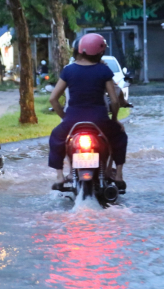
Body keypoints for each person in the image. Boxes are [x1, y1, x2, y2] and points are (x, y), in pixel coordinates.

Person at [48, 33, 128, 192]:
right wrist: (115, 119)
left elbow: (53, 99)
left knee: (56, 138)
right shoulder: (104, 70)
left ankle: (59, 176)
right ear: (100, 52)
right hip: (100, 121)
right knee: (119, 136)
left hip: (72, 121)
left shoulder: (68, 71)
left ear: (80, 50)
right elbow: (113, 101)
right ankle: (118, 175)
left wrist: (65, 118)